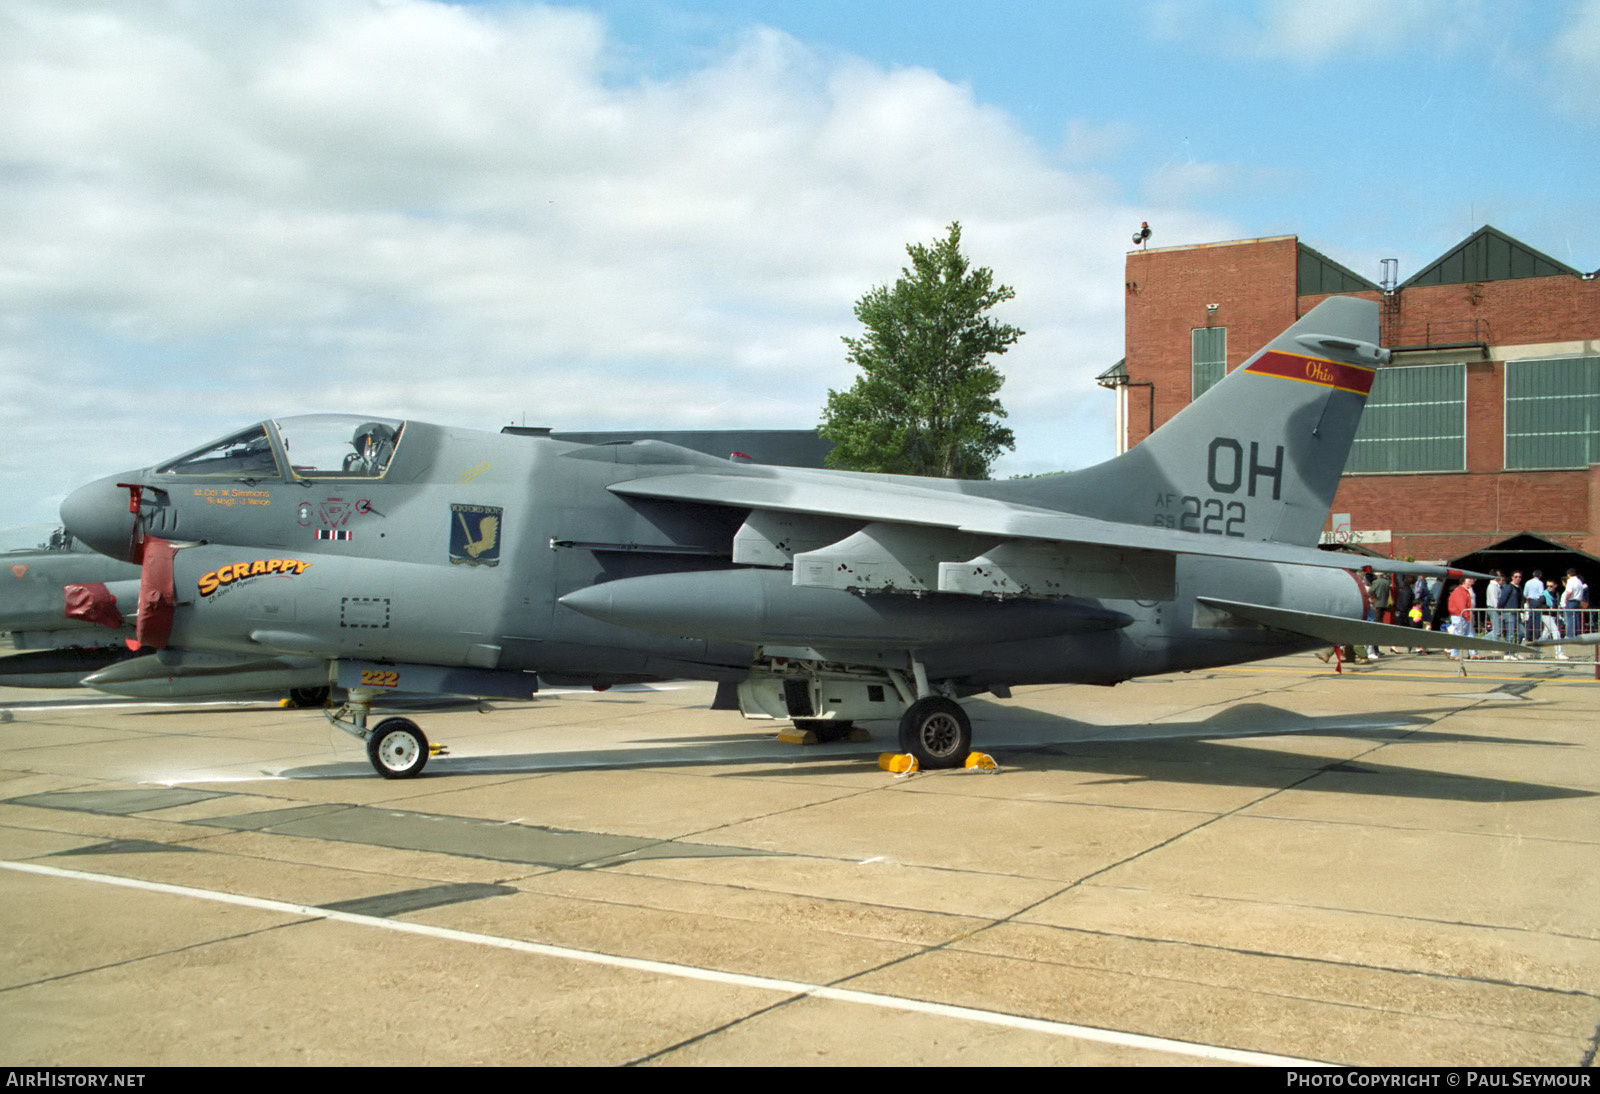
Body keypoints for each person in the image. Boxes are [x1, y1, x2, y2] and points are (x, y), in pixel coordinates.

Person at [1447, 576, 1475, 659]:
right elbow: (1462, 606)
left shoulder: (1463, 591)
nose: (1471, 582)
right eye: (1469, 580)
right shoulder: (1460, 592)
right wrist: (1467, 616)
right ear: (1463, 581)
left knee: (1470, 634)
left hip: (1461, 616)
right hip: (1460, 616)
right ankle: (1453, 654)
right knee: (1460, 635)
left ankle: (1473, 653)